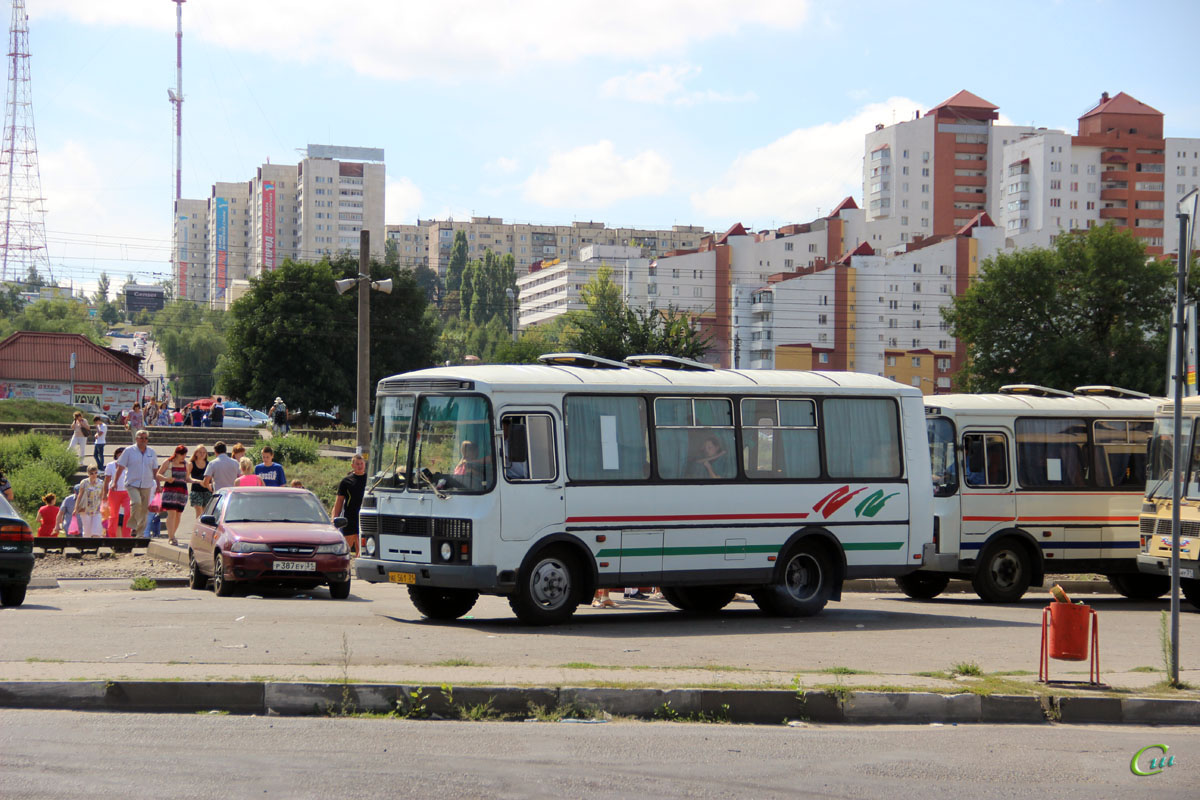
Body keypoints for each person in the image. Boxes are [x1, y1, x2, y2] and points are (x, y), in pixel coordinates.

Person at [109, 430, 160, 538]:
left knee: (144, 510)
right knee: (137, 502)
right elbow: (120, 467)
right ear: (136, 439)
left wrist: (159, 485)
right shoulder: (129, 451)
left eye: (146, 438)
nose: (144, 440)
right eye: (141, 438)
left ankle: (140, 534)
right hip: (132, 483)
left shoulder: (151, 452)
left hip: (147, 484)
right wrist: (115, 482)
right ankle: (133, 525)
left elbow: (155, 470)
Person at [331, 453, 367, 555]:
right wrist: (334, 518)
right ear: (353, 466)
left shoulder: (370, 480)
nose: (360, 466)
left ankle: (360, 569)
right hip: (350, 517)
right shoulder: (346, 481)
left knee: (363, 550)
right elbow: (339, 502)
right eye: (357, 464)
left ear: (365, 464)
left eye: (361, 463)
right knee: (346, 548)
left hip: (364, 516)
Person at [156, 444, 191, 546]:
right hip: (170, 490)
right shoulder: (168, 462)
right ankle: (171, 537)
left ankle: (172, 534)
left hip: (182, 491)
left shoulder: (186, 464)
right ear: (176, 453)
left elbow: (187, 478)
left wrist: (198, 482)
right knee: (172, 513)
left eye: (185, 454)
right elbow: (158, 474)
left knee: (178, 514)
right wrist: (167, 479)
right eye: (182, 454)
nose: (184, 456)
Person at [103, 446, 131, 537]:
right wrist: (104, 494)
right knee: (114, 515)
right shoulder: (110, 465)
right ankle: (112, 536)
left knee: (128, 513)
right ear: (116, 455)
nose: (122, 455)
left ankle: (126, 536)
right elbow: (106, 481)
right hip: (114, 492)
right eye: (120, 453)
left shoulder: (130, 465)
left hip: (127, 492)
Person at [74, 465, 105, 536]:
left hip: (97, 509)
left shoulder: (101, 483)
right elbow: (80, 495)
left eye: (96, 473)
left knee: (96, 531)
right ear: (88, 474)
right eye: (92, 473)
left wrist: (103, 507)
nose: (94, 475)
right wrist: (76, 508)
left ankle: (95, 546)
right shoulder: (84, 482)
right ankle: (86, 545)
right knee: (87, 531)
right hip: (86, 509)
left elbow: (102, 496)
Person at [188, 445, 212, 518]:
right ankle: (198, 527)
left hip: (207, 490)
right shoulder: (191, 464)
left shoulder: (209, 464)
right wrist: (198, 481)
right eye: (200, 452)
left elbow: (212, 477)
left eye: (204, 452)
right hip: (196, 491)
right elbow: (187, 478)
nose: (202, 454)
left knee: (206, 512)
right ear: (196, 453)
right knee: (199, 511)